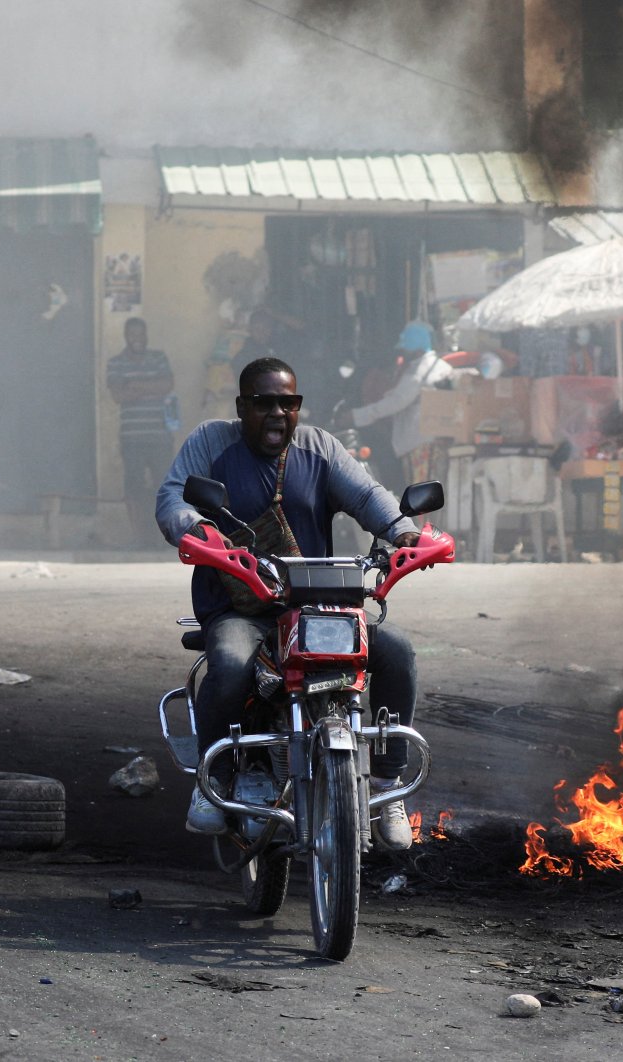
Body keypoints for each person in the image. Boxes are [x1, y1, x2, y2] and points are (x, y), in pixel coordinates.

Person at [155, 356, 422, 850]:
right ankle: (215, 781)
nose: (277, 413)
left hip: (313, 605)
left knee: (397, 653)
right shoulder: (212, 442)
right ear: (241, 406)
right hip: (239, 606)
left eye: (288, 403)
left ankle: (387, 782)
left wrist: (404, 532)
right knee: (232, 665)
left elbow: (366, 496)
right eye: (264, 403)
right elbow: (173, 498)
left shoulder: (319, 447)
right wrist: (196, 529)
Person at [337, 321, 457, 489]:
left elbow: (396, 402)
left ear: (416, 347)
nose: (401, 351)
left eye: (405, 347)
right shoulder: (440, 366)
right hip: (434, 441)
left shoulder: (420, 370)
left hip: (420, 444)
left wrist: (356, 416)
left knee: (421, 494)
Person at [106, 318, 175, 545]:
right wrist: (150, 387)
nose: (137, 339)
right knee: (134, 487)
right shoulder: (115, 363)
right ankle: (140, 538)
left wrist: (134, 386)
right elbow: (118, 396)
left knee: (163, 487)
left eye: (141, 334)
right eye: (132, 334)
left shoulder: (159, 358)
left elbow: (166, 385)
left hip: (160, 436)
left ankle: (162, 537)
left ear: (146, 335)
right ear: (126, 336)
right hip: (131, 438)